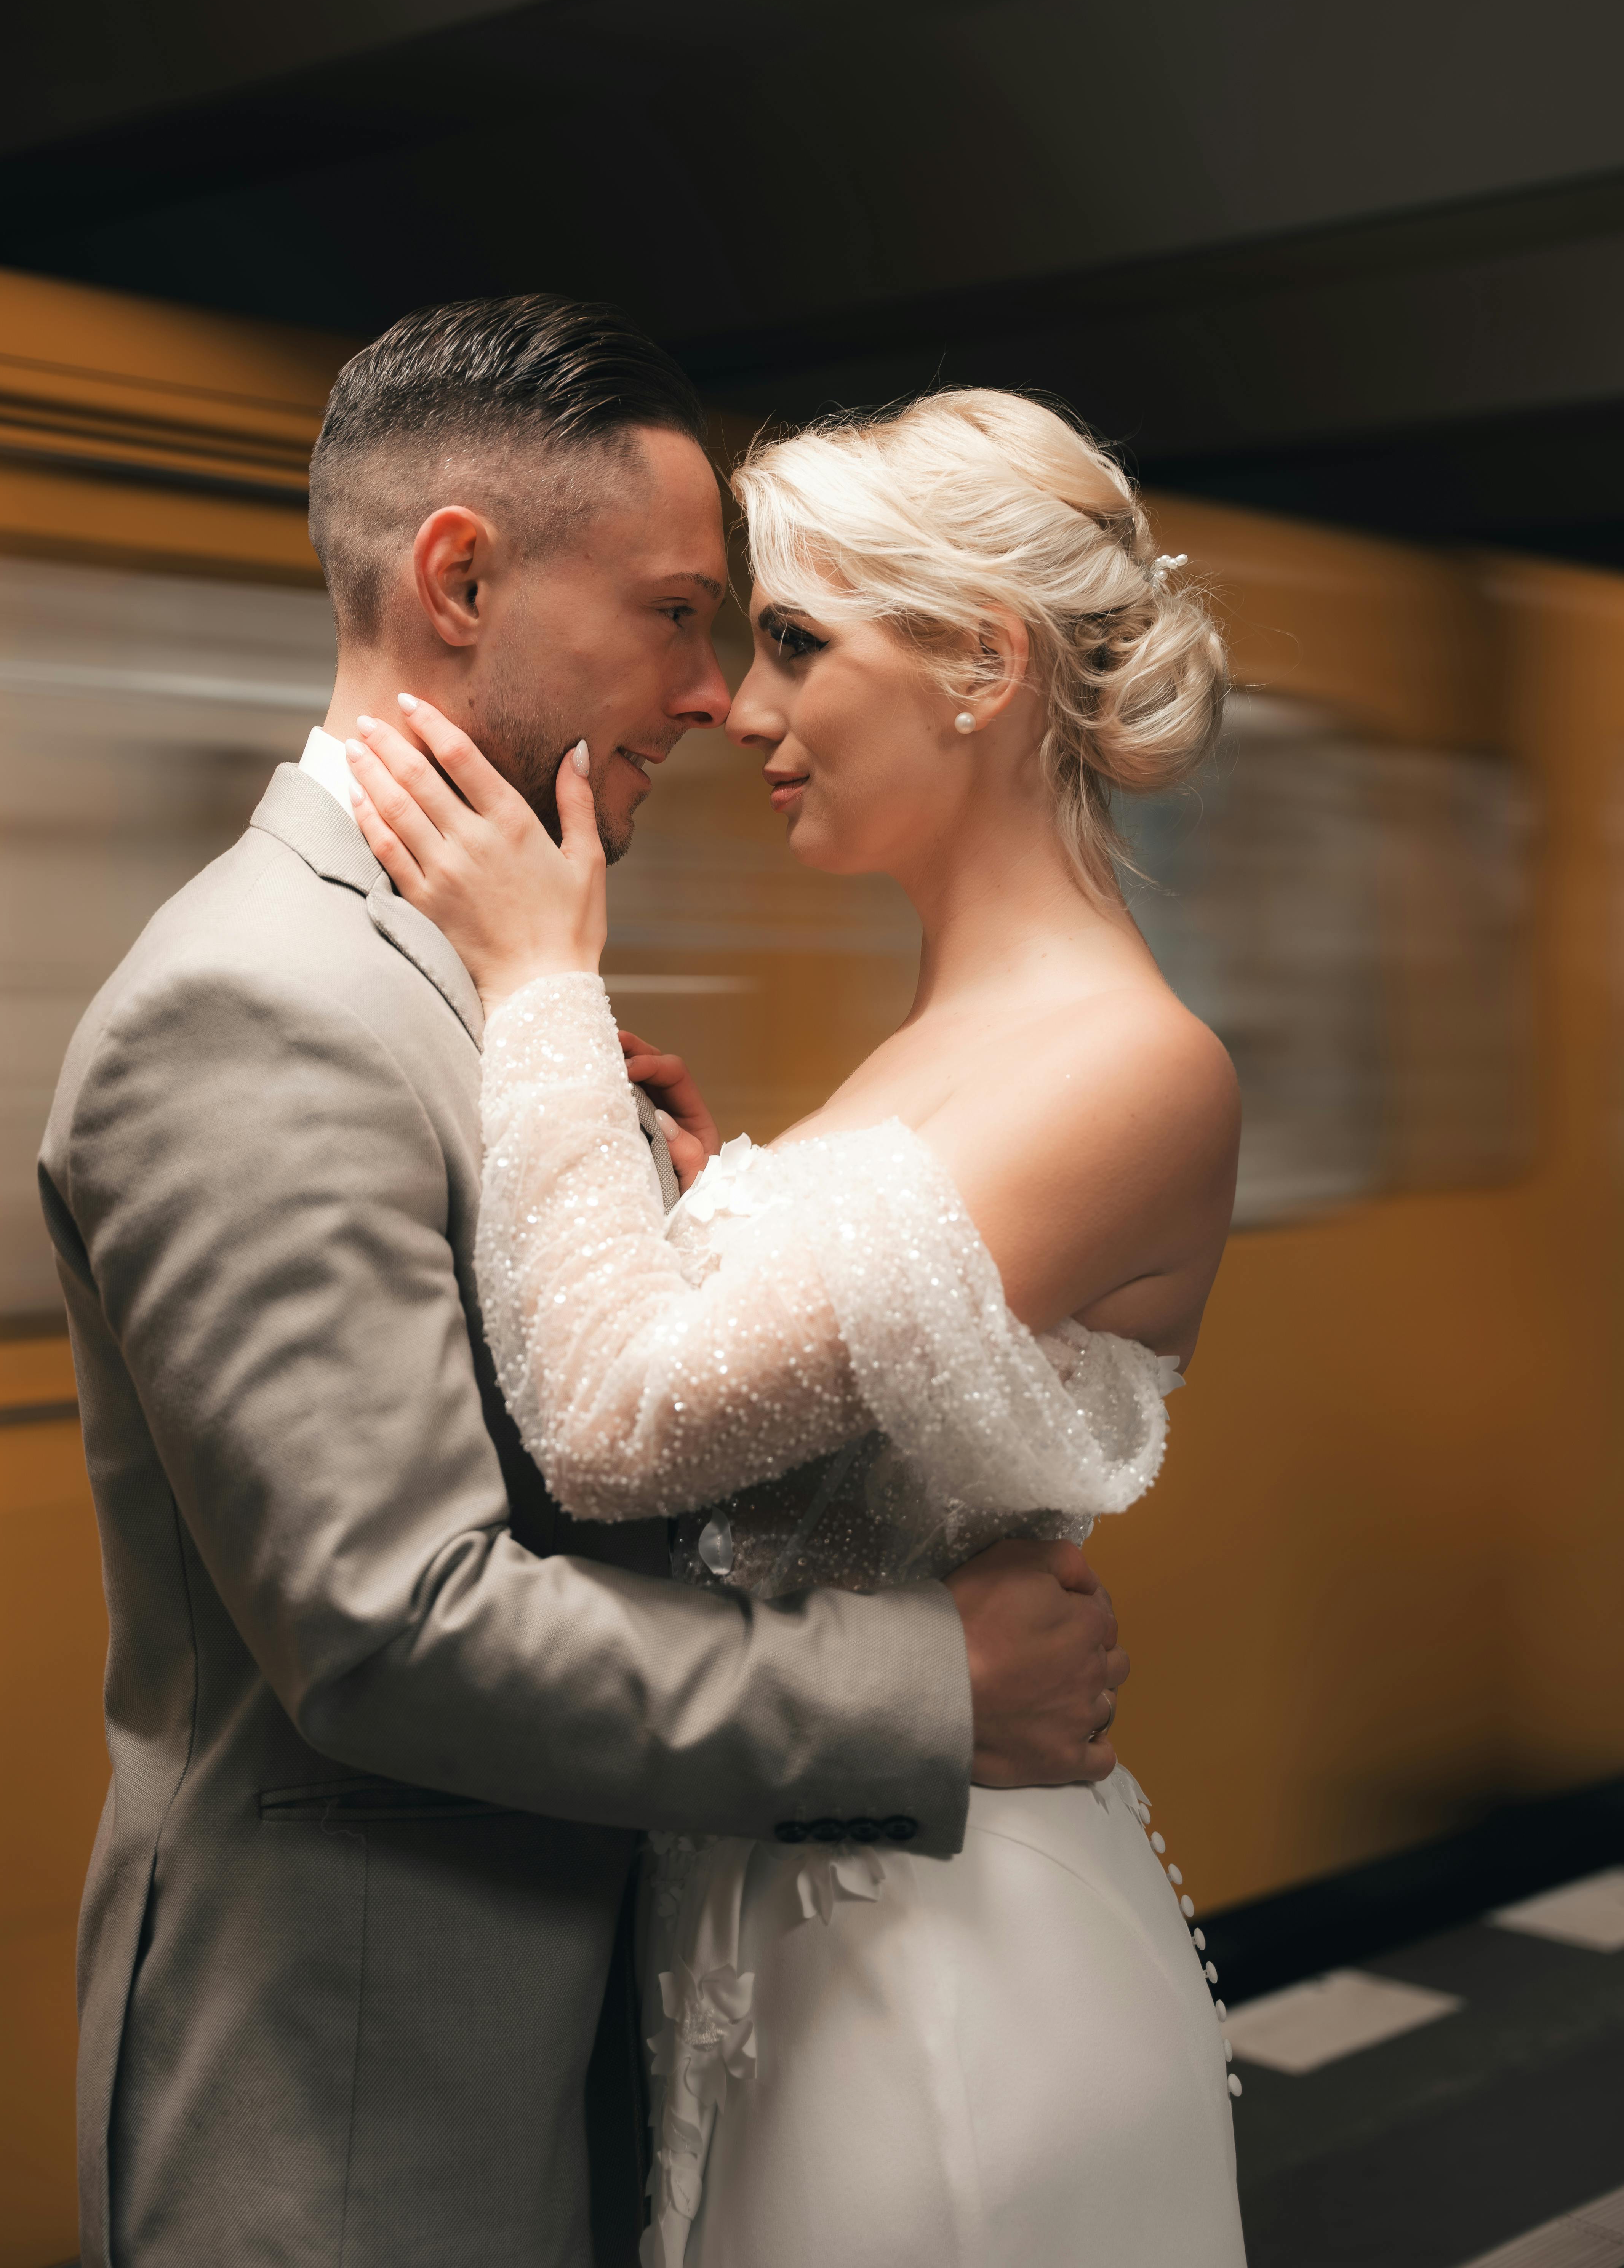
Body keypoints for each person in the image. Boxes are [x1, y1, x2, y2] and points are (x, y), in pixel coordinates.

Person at [40, 302, 1133, 2268]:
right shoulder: (256, 1007)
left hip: (561, 2071)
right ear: (461, 578)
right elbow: (396, 1625)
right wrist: (928, 1687)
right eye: (679, 615)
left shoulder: (475, 957)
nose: (715, 696)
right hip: (369, 2125)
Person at [345, 383, 1247, 2267]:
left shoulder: (1134, 1065)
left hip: (942, 1977)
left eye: (790, 643)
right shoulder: (943, 1050)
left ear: (981, 666)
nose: (739, 710)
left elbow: (618, 1422)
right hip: (802, 1932)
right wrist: (666, 1189)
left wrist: (537, 992)